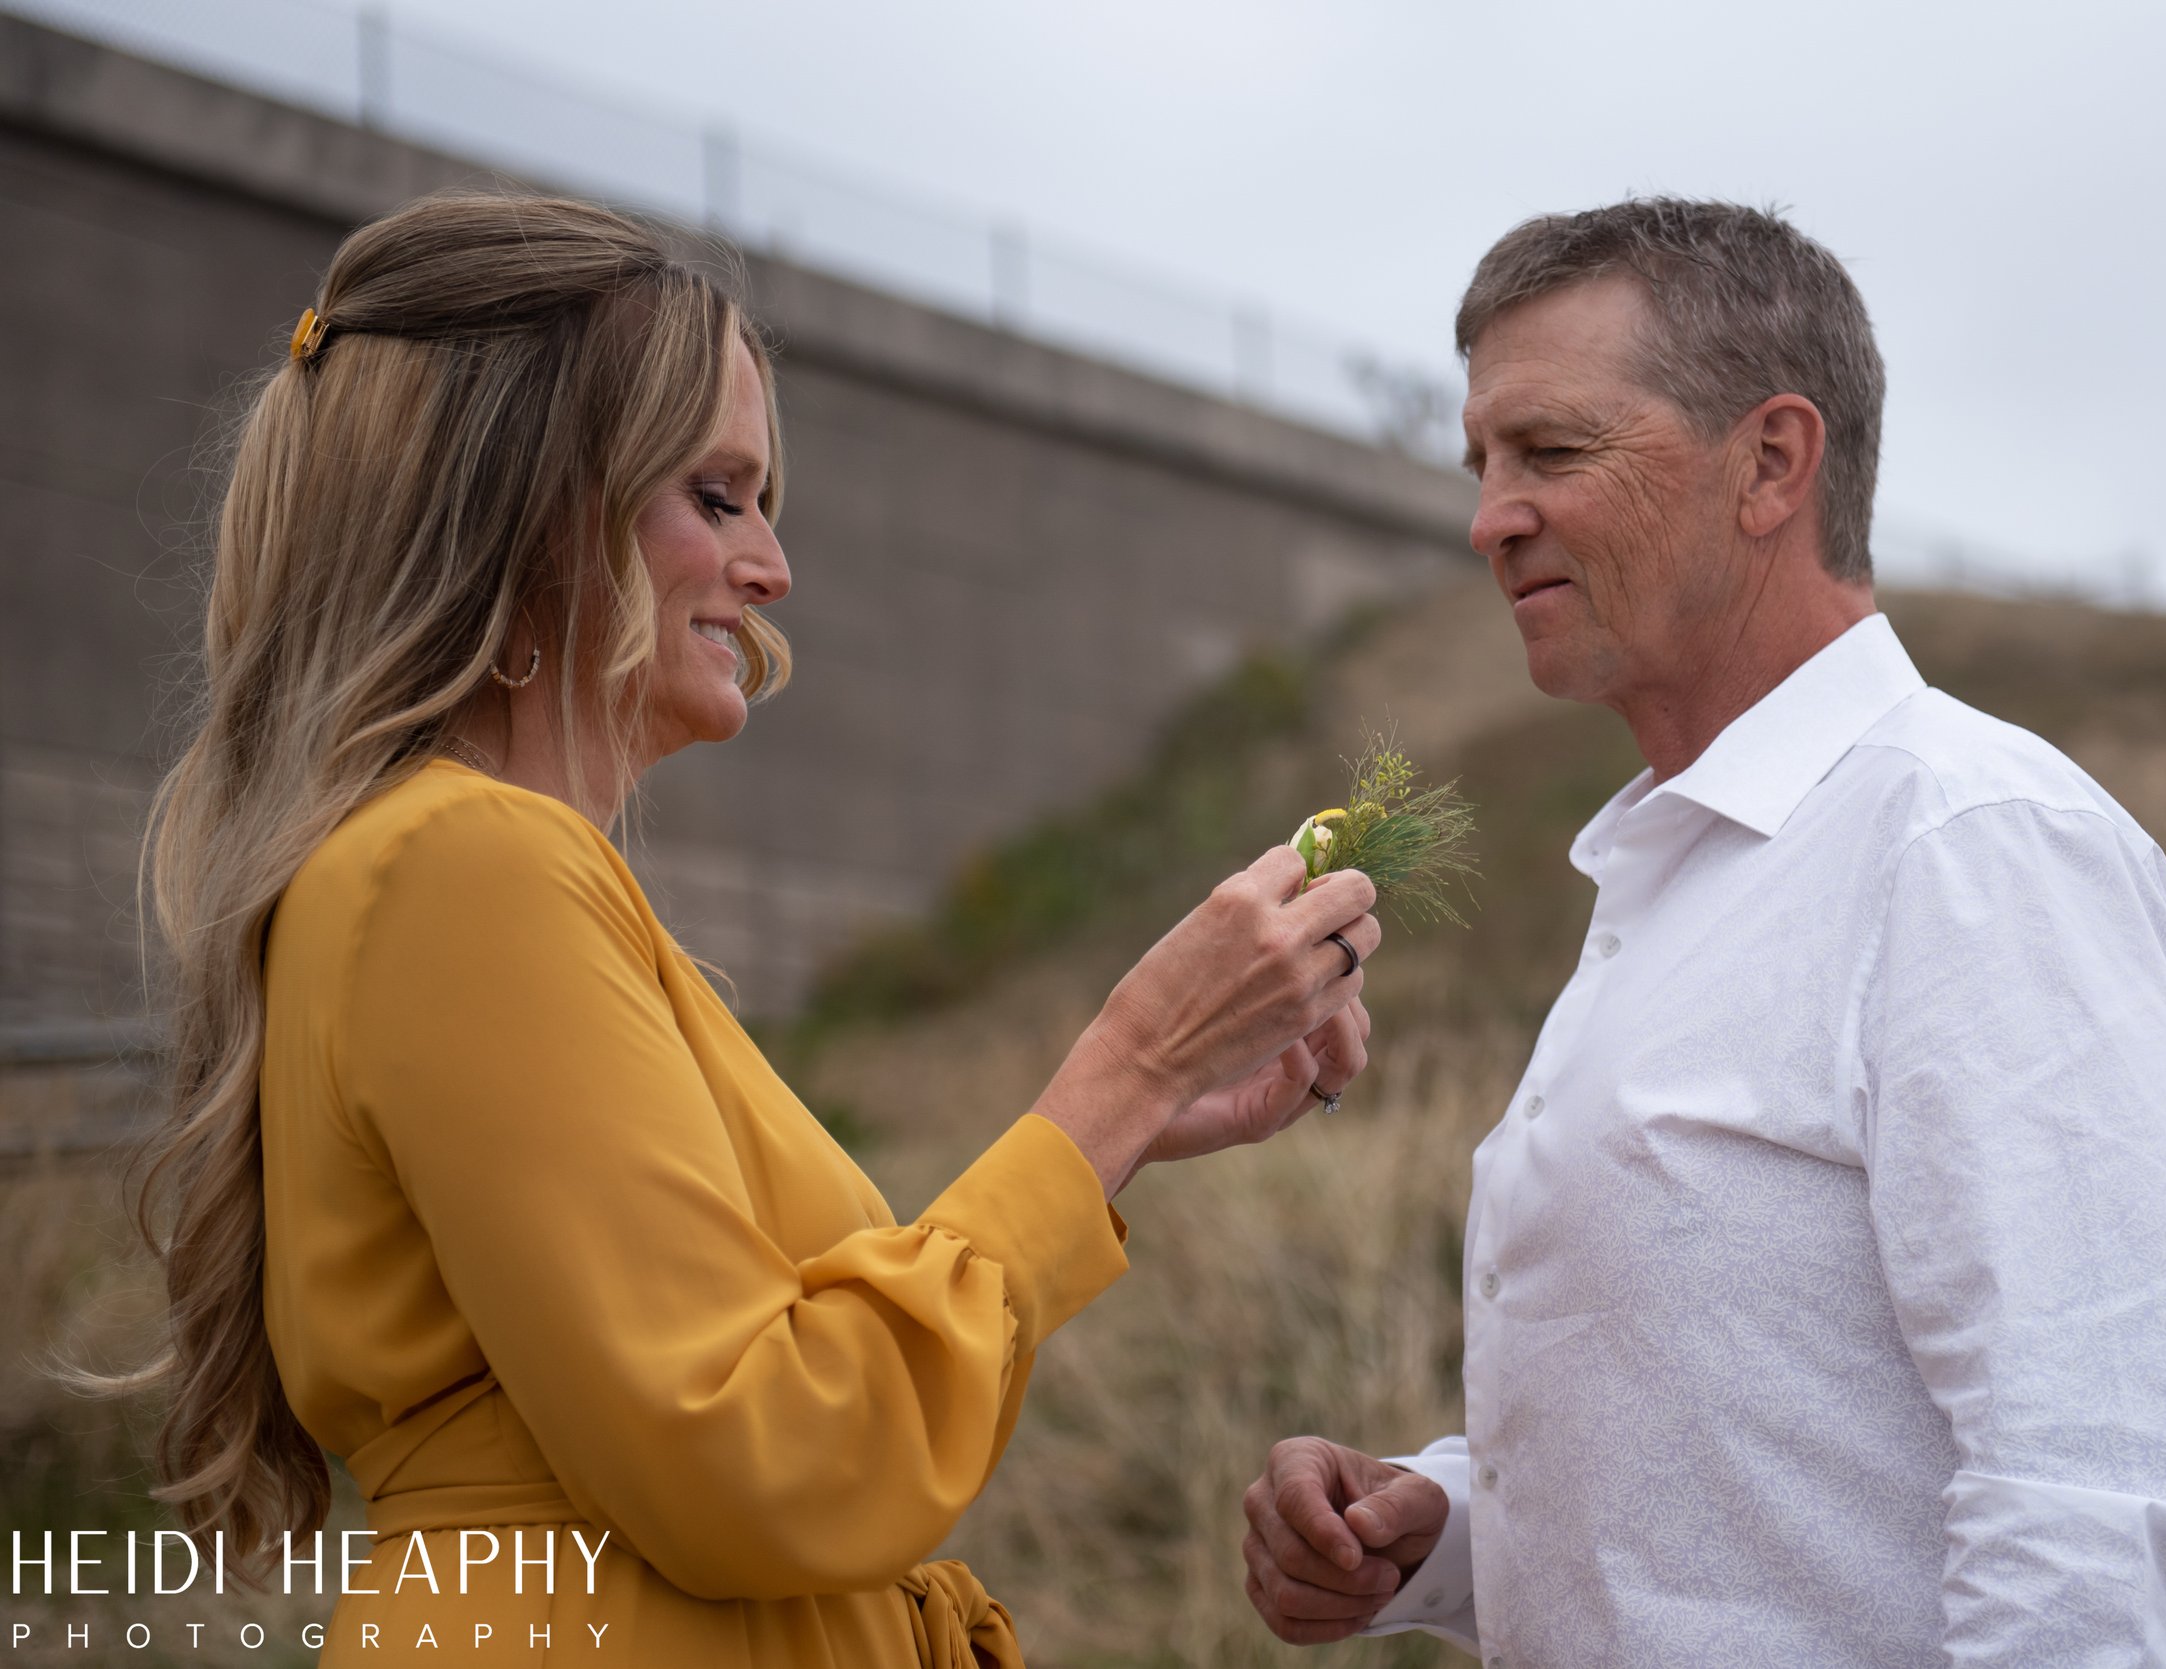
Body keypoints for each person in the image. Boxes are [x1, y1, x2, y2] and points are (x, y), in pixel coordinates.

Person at [133, 191, 1379, 1668]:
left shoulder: (472, 875)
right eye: (716, 499)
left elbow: (749, 1368)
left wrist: (1140, 1110)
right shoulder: (465, 867)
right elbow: (769, 1448)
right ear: (537, 511)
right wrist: (1125, 1059)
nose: (773, 567)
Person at [1240, 198, 2166, 1666]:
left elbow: (2106, 1505)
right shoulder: (1687, 873)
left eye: (1552, 450)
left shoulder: (1968, 844)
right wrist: (1448, 1524)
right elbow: (1761, 1452)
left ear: (1772, 463)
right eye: (1480, 462)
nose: (1488, 517)